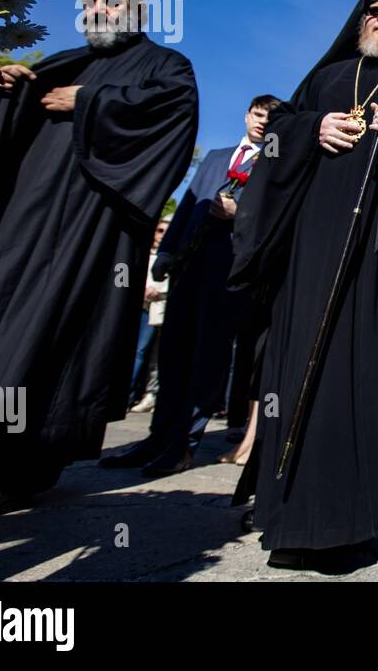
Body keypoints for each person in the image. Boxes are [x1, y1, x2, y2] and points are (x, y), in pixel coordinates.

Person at [0, 0, 198, 511]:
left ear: (137, 10)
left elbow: (175, 116)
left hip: (86, 230)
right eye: (90, 1)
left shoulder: (165, 64)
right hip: (21, 222)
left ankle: (8, 463)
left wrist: (89, 102)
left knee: (48, 331)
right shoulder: (63, 62)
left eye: (111, 2)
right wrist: (0, 90)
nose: (99, 10)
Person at [228, 0, 378, 573]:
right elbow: (277, 132)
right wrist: (315, 128)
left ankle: (358, 521)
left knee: (368, 378)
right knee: (298, 379)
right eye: (374, 11)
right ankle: (291, 516)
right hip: (313, 252)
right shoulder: (331, 76)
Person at [101, 95, 281, 476]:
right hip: (189, 266)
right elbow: (186, 206)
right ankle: (155, 438)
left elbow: (272, 218)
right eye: (259, 114)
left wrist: (239, 214)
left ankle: (183, 444)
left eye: (271, 118)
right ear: (247, 114)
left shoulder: (275, 164)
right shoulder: (216, 157)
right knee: (172, 355)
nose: (263, 122)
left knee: (208, 358)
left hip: (229, 273)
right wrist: (166, 254)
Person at [128, 215, 172, 413]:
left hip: (160, 308)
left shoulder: (170, 256)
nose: (161, 235)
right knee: (136, 351)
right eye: (160, 230)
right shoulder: (143, 252)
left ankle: (149, 395)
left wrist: (159, 292)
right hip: (141, 307)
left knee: (153, 355)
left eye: (166, 232)